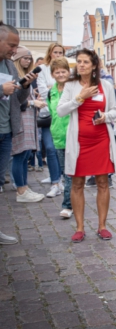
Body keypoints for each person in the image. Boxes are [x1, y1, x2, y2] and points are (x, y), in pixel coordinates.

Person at [57, 49, 116, 243]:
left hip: (101, 140)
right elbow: (60, 111)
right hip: (79, 141)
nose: (81, 65)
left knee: (102, 182)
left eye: (85, 62)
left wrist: (105, 117)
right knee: (77, 184)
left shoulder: (105, 85)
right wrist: (80, 97)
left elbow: (115, 110)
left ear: (94, 66)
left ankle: (102, 226)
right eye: (79, 62)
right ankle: (80, 228)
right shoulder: (71, 86)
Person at [0, 21, 38, 244]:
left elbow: (19, 101)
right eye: (12, 45)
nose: (15, 50)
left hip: (6, 131)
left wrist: (25, 87)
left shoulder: (9, 65)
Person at [11, 46, 45, 203]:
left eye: (29, 58)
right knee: (20, 154)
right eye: (24, 58)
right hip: (20, 119)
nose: (28, 61)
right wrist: (32, 102)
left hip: (29, 120)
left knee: (25, 155)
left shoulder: (27, 76)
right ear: (17, 59)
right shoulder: (15, 75)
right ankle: (20, 189)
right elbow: (14, 101)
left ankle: (24, 186)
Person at [37, 43, 64, 197]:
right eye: (55, 52)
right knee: (50, 148)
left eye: (61, 52)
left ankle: (64, 178)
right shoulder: (43, 69)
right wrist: (55, 87)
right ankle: (55, 182)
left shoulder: (69, 70)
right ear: (50, 53)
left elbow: (69, 91)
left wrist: (51, 87)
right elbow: (44, 92)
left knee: (65, 148)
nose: (58, 55)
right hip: (48, 114)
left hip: (65, 116)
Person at [47, 57, 72, 218]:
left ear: (68, 72)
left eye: (64, 71)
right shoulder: (51, 92)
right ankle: (73, 199)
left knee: (70, 173)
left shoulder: (73, 89)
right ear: (53, 74)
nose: (61, 74)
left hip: (73, 135)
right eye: (58, 72)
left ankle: (68, 205)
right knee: (65, 172)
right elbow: (52, 113)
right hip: (58, 136)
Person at [85, 58, 116, 188]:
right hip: (88, 123)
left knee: (105, 150)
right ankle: (93, 175)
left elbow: (110, 103)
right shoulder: (81, 82)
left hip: (103, 119)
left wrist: (106, 115)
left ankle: (107, 176)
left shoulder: (106, 79)